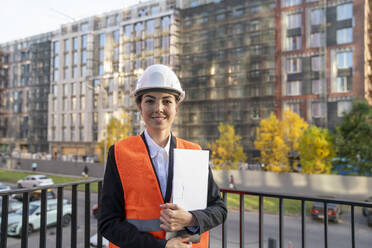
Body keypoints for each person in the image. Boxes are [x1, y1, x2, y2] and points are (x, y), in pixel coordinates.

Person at [98, 64, 227, 248]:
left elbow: (219, 209)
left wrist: (191, 219)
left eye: (167, 101)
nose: (158, 108)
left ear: (176, 107)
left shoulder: (194, 153)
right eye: (150, 101)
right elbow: (108, 223)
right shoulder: (119, 153)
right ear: (139, 106)